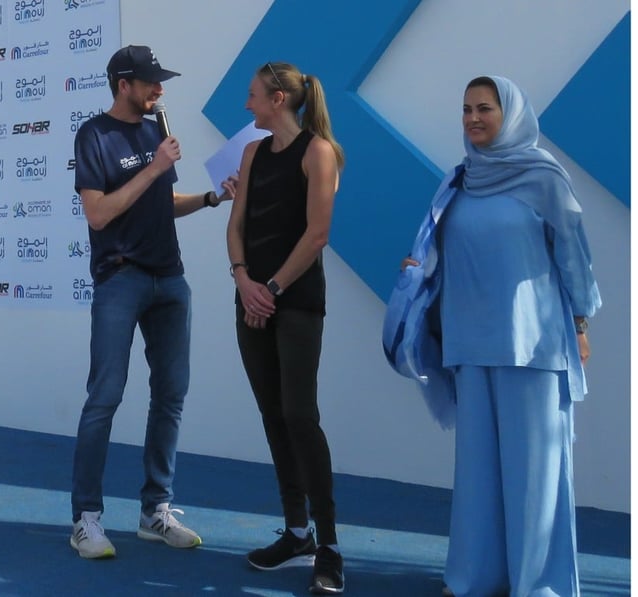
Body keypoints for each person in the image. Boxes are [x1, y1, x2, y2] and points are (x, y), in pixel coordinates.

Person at [395, 76, 601, 596]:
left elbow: (573, 258)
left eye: (485, 108)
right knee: (479, 477)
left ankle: (539, 585)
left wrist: (580, 323)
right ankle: (474, 578)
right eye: (466, 109)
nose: (473, 119)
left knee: (535, 476)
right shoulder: (457, 182)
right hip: (469, 344)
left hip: (532, 346)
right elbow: (440, 251)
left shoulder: (544, 178)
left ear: (510, 114)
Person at [68, 44, 236, 560]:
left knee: (171, 396)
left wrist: (211, 198)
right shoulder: (94, 134)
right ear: (124, 84)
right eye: (150, 82)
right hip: (121, 279)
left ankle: (154, 512)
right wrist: (154, 166)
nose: (159, 90)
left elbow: (163, 201)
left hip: (171, 279)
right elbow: (98, 215)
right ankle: (86, 519)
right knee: (105, 397)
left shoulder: (155, 129)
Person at [225, 61, 345, 595]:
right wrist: (243, 279)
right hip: (251, 301)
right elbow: (237, 224)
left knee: (300, 415)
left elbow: (317, 236)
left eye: (252, 96)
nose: (246, 105)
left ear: (277, 98)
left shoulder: (319, 152)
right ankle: (296, 531)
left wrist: (269, 291)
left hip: (293, 304)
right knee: (274, 416)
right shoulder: (251, 153)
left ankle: (330, 544)